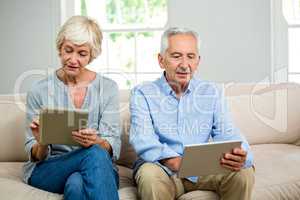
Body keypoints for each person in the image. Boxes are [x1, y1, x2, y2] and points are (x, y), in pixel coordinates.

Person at [129, 27, 255, 200]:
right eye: (176, 56)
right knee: (149, 176)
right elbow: (142, 139)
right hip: (160, 168)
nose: (184, 64)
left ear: (198, 61)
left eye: (190, 56)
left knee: (243, 173)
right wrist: (173, 160)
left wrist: (242, 154)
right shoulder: (142, 93)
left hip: (201, 168)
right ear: (161, 60)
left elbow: (228, 132)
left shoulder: (212, 92)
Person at [23, 16, 120, 200]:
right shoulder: (39, 90)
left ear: (92, 55)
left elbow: (112, 145)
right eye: (68, 50)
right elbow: (34, 155)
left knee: (76, 184)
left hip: (98, 168)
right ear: (60, 48)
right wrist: (42, 141)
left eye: (82, 53)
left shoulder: (108, 88)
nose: (73, 60)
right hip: (50, 168)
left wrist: (96, 141)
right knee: (94, 154)